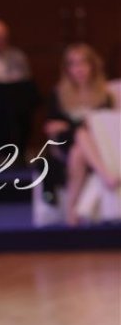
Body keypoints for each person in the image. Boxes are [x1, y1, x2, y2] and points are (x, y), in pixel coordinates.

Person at [42, 42, 117, 225]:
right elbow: (51, 127)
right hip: (63, 145)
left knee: (79, 150)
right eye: (73, 64)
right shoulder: (58, 94)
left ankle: (71, 209)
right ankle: (105, 175)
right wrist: (76, 126)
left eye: (83, 63)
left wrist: (68, 125)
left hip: (95, 148)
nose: (79, 69)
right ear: (67, 69)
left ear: (92, 66)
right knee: (80, 137)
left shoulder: (105, 95)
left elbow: (106, 126)